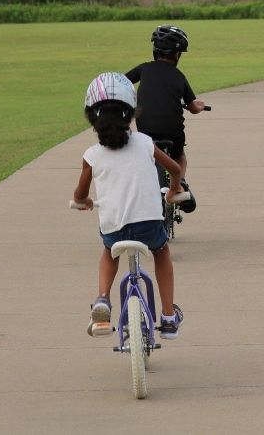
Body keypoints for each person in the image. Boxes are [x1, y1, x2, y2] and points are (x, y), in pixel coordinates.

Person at [71, 71, 185, 339]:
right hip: (149, 225)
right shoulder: (145, 143)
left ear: (92, 117)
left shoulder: (92, 155)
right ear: (131, 113)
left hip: (114, 228)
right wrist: (175, 189)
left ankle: (102, 300)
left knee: (109, 251)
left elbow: (80, 193)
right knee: (162, 252)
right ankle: (168, 316)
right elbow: (175, 169)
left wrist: (83, 201)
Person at [125, 24, 206, 212]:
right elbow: (193, 107)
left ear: (155, 50)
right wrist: (200, 106)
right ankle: (179, 185)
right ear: (177, 55)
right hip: (173, 130)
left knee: (148, 154)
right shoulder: (179, 76)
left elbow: (122, 81)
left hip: (146, 128)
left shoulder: (144, 69)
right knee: (179, 155)